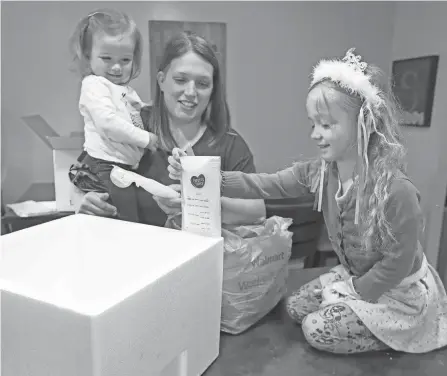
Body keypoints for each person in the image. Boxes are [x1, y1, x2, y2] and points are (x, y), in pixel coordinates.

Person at [167, 48, 447, 354]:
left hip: (396, 291)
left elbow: (397, 262)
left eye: (326, 125)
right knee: (296, 307)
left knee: (317, 329)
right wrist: (210, 177)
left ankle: (394, 332)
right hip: (356, 276)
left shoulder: (396, 191)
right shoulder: (320, 172)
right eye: (313, 124)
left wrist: (354, 292)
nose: (315, 134)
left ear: (364, 125)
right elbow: (267, 184)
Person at [74, 30, 267, 226]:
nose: (191, 92)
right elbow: (87, 176)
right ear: (161, 81)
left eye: (202, 83)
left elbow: (256, 212)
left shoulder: (229, 144)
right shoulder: (133, 126)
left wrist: (196, 204)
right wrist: (86, 204)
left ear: (212, 90)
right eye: (181, 80)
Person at [69, 9, 159, 222]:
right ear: (88, 56)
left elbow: (136, 113)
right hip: (104, 164)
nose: (117, 67)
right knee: (122, 219)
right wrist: (146, 139)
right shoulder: (94, 85)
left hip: (120, 166)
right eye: (106, 58)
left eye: (125, 59)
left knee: (129, 216)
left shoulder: (124, 90)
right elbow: (108, 123)